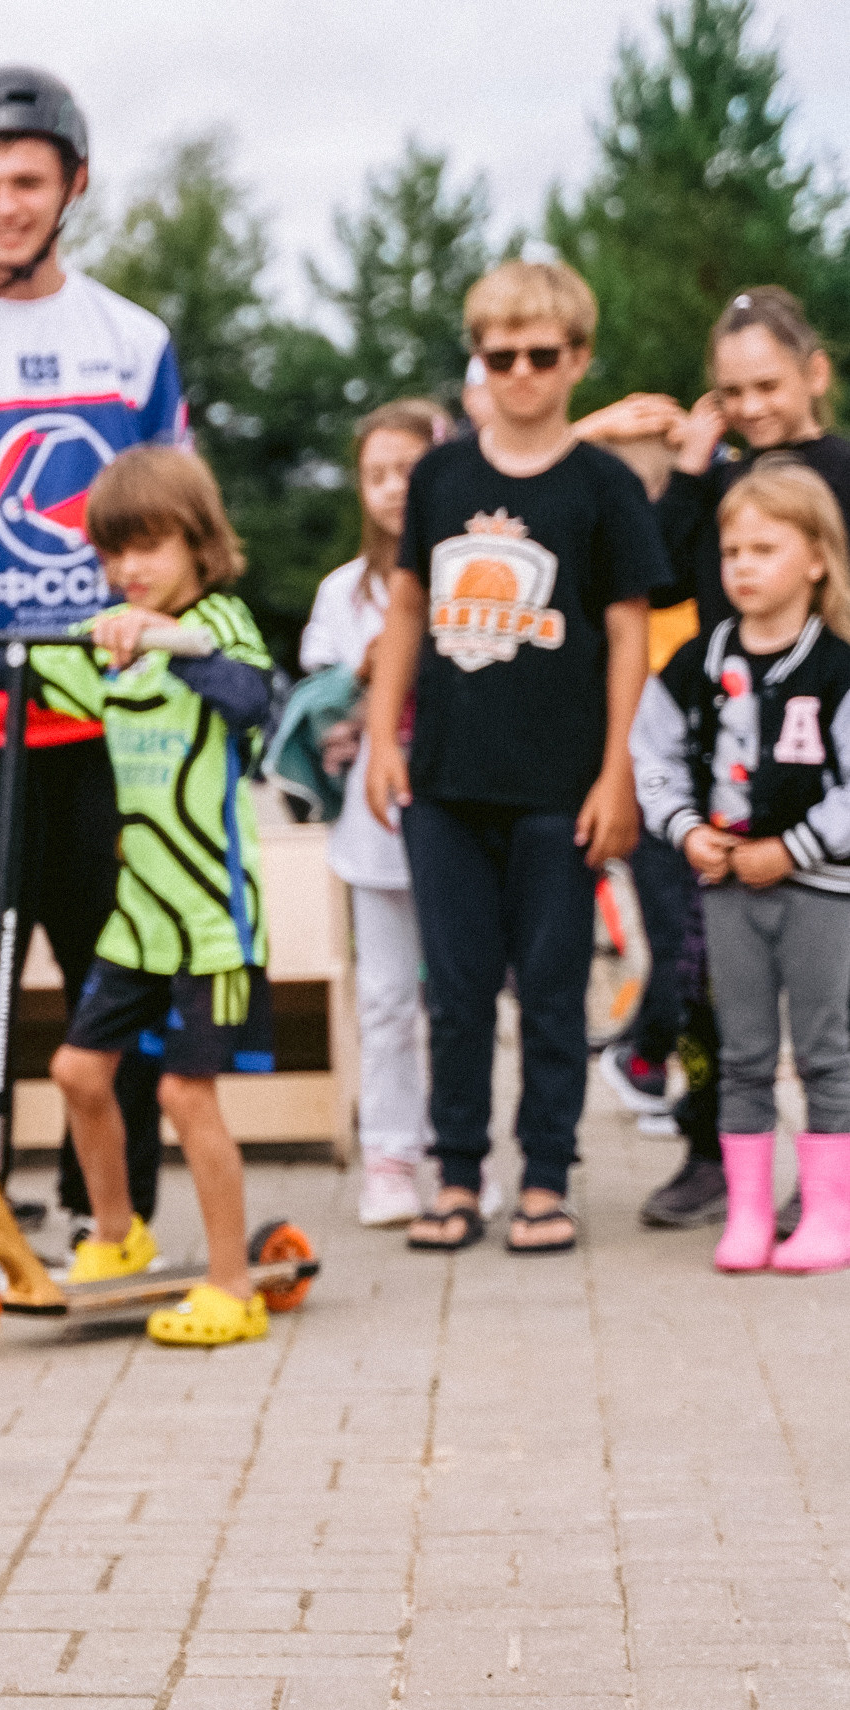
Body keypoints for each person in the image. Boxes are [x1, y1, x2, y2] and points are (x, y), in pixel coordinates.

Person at [0, 65, 185, 1287]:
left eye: (25, 180)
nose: (4, 203)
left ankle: (105, 1211)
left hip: (108, 717)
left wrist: (158, 618)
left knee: (121, 971)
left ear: (71, 184)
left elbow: (173, 517)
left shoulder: (130, 340)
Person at [364, 256, 668, 1258]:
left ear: (577, 357)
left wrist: (616, 771)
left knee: (548, 989)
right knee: (453, 994)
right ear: (478, 360)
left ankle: (544, 1176)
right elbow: (406, 605)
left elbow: (626, 632)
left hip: (560, 786)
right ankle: (456, 1176)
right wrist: (381, 738)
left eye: (541, 354)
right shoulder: (440, 475)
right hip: (445, 782)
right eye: (501, 357)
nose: (521, 373)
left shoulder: (603, 485)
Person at [581, 288, 850, 1225]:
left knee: (827, 1008)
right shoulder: (713, 484)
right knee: (698, 982)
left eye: (767, 385)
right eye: (731, 391)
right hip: (714, 778)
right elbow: (653, 580)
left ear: (813, 374)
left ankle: (826, 1180)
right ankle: (708, 1154)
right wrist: (691, 474)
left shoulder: (843, 474)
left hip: (822, 782)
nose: (749, 406)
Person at [30, 447, 277, 1343]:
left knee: (183, 1095)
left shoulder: (220, 621)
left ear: (198, 543)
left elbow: (248, 696)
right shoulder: (110, 635)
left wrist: (164, 640)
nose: (128, 568)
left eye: (149, 546)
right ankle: (116, 1235)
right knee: (75, 1071)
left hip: (213, 920)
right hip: (140, 920)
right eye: (112, 552)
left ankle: (231, 1286)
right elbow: (30, 674)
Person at [632, 463, 850, 1273]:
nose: (743, 567)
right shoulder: (697, 661)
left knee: (826, 1052)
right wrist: (686, 829)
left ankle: (828, 1214)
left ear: (816, 559)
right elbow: (651, 755)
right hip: (725, 888)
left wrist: (790, 849)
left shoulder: (836, 667)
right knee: (740, 1053)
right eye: (731, 552)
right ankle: (749, 1214)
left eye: (765, 549)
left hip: (820, 890)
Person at [299, 402, 448, 1227]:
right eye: (377, 474)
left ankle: (460, 1152)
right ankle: (390, 1155)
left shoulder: (472, 572)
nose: (394, 488)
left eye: (410, 471)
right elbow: (314, 713)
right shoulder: (341, 592)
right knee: (386, 996)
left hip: (463, 812)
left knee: (458, 999)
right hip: (376, 821)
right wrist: (363, 677)